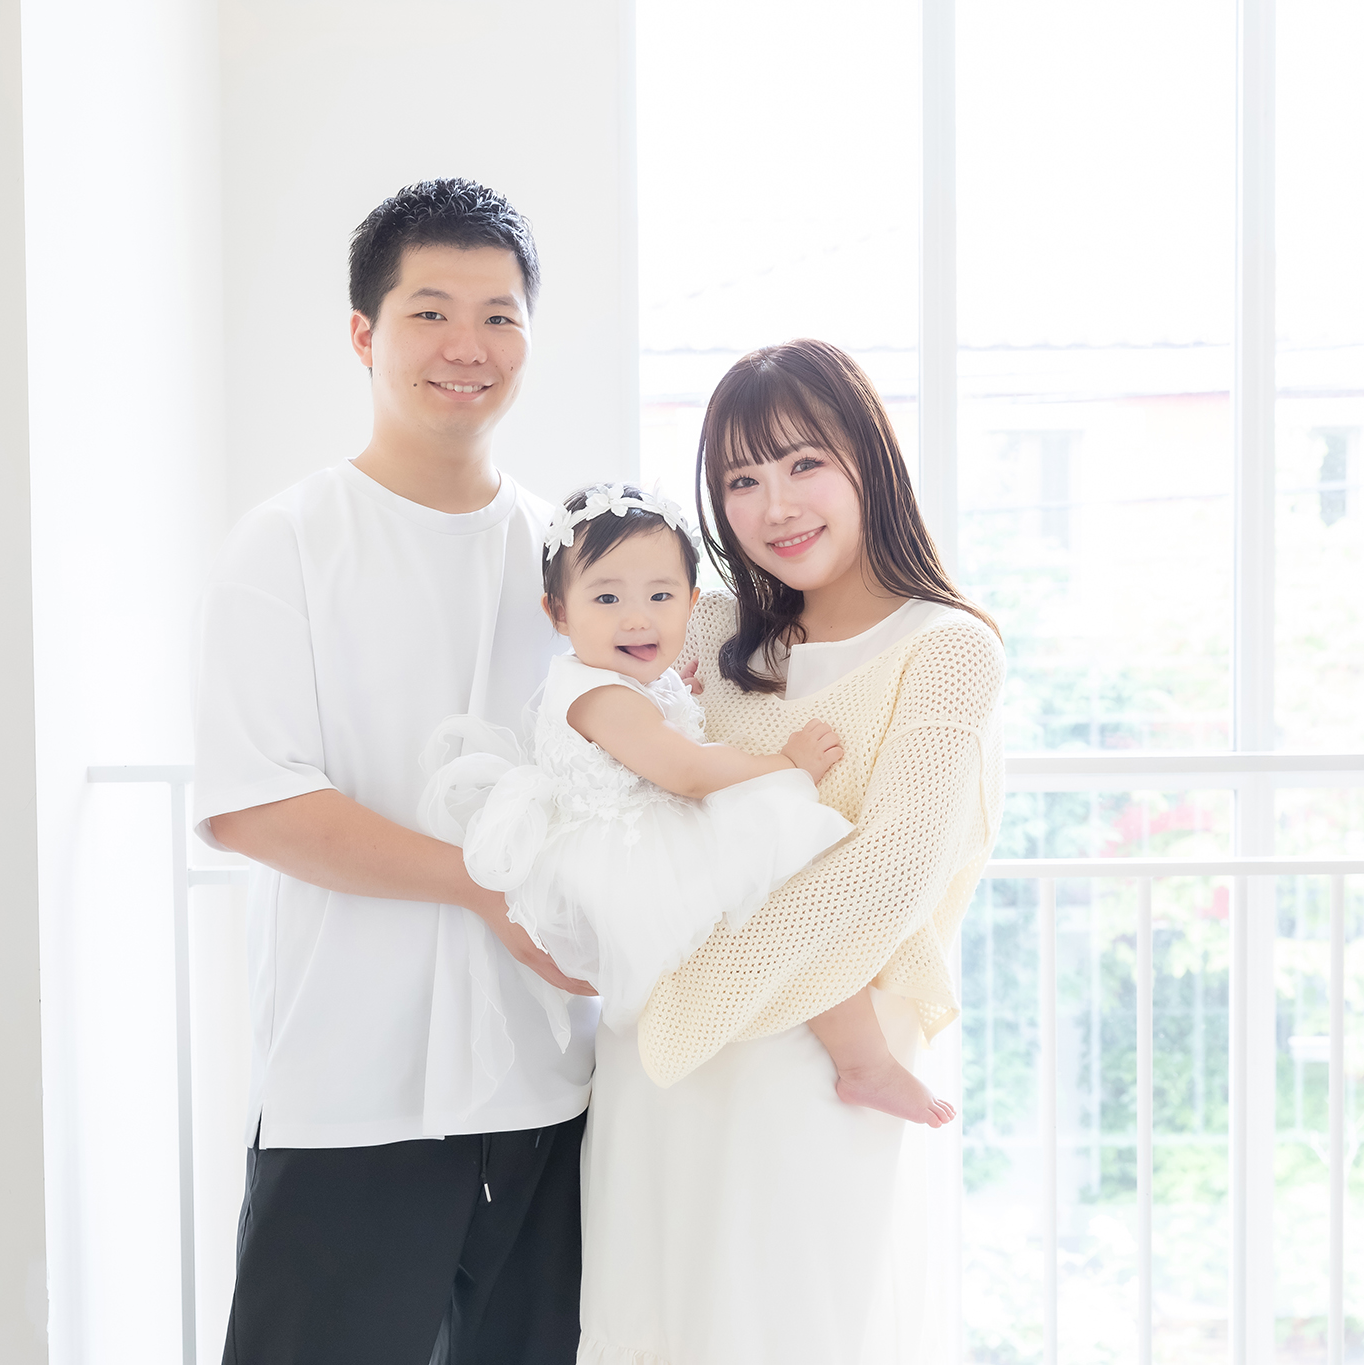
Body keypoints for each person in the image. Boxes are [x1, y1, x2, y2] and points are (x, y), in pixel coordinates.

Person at [193, 178, 598, 1365]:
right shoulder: (288, 542)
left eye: (498, 316)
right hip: (349, 1093)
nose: (467, 346)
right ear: (363, 334)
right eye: (430, 313)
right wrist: (484, 885)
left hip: (543, 1087)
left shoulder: (568, 560)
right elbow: (254, 804)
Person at [577, 339, 1007, 1365]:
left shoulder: (946, 648)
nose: (775, 505)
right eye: (741, 480)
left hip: (808, 1077)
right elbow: (606, 780)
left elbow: (890, 872)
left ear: (869, 459)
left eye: (804, 462)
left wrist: (690, 987)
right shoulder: (704, 630)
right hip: (657, 1078)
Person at [423, 481, 956, 1128]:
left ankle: (853, 1051)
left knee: (782, 888)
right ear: (558, 612)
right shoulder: (603, 698)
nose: (637, 618)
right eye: (607, 598)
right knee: (789, 857)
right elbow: (688, 773)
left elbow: (654, 730)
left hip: (636, 836)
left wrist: (670, 692)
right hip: (628, 857)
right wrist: (786, 765)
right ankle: (865, 1062)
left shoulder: (619, 683)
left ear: (692, 602)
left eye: (661, 596)